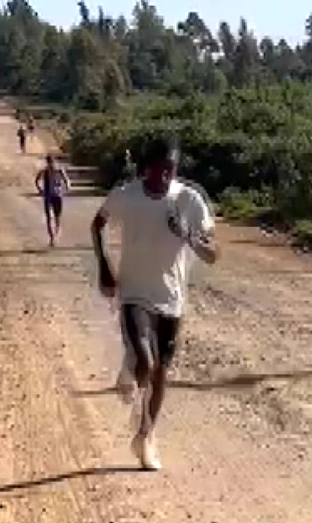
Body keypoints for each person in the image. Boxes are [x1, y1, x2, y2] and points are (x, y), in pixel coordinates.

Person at [92, 138, 220, 470]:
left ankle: (146, 436)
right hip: (135, 293)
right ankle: (133, 363)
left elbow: (213, 254)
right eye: (159, 170)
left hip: (172, 299)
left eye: (171, 171)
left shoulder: (188, 200)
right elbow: (98, 223)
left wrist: (188, 235)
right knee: (147, 363)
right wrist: (104, 265)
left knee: (161, 370)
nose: (164, 177)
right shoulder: (127, 196)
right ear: (145, 168)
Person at [35, 155, 70, 247]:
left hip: (57, 195)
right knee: (49, 217)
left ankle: (55, 234)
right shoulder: (45, 171)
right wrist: (40, 190)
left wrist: (66, 187)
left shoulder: (59, 170)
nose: (51, 164)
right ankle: (52, 237)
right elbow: (37, 180)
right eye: (49, 162)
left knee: (57, 217)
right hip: (49, 196)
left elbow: (66, 180)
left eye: (52, 162)